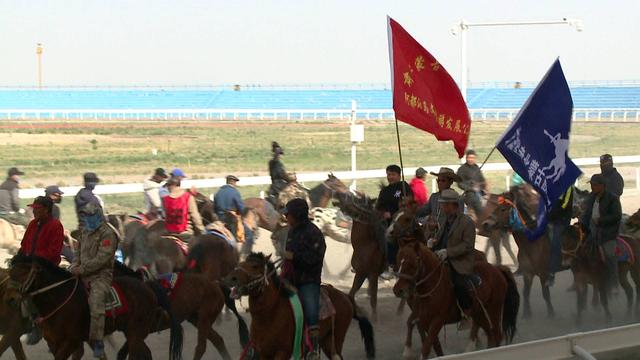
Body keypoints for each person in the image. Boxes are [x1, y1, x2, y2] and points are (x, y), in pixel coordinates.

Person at [69, 203, 119, 358]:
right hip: (80, 272)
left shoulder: (108, 233)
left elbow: (102, 259)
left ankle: (97, 341)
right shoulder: (84, 232)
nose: (87, 218)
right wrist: (73, 266)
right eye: (85, 215)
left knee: (95, 302)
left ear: (98, 215)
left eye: (90, 215)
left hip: (101, 275)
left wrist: (82, 269)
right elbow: (77, 252)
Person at [282, 198, 326, 360]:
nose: (286, 217)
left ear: (297, 215)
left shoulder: (314, 233)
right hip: (290, 278)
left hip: (308, 280)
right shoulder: (292, 231)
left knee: (310, 311)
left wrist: (294, 257)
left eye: (288, 214)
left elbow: (315, 259)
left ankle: (314, 349)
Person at [427, 189, 477, 319]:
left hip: (460, 262)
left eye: (443, 204)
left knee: (459, 284)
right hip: (442, 259)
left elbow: (467, 246)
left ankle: (467, 313)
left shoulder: (467, 222)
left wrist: (448, 252)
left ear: (451, 205)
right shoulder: (444, 221)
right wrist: (432, 241)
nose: (441, 207)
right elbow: (440, 237)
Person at [580, 174, 622, 295]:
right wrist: (581, 223)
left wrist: (601, 220)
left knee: (609, 255)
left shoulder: (612, 198)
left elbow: (617, 216)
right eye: (591, 184)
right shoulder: (591, 198)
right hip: (592, 231)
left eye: (594, 185)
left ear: (602, 186)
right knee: (578, 251)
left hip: (607, 233)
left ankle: (614, 283)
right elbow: (587, 214)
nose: (592, 187)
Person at [376, 164, 412, 276]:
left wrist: (392, 213)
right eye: (388, 174)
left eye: (393, 174)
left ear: (399, 175)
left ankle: (391, 265)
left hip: (400, 219)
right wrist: (382, 213)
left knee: (390, 236)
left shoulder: (403, 187)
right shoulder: (384, 191)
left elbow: (409, 201)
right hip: (385, 220)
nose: (390, 177)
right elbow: (378, 206)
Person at [214, 175, 254, 254]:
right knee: (249, 235)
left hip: (220, 221)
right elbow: (242, 209)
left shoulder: (218, 193)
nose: (236, 184)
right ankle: (245, 255)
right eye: (235, 182)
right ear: (233, 182)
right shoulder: (234, 192)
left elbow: (214, 209)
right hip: (231, 221)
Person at [546, 186, 573, 287]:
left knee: (555, 243)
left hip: (561, 220)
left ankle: (552, 273)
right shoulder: (551, 184)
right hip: (550, 217)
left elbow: (565, 205)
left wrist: (551, 215)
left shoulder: (568, 187)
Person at [162, 176, 205, 242]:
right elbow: (194, 215)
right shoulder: (188, 197)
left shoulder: (165, 199)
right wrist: (201, 229)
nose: (167, 188)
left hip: (170, 232)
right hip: (186, 233)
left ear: (172, 185)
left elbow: (164, 215)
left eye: (168, 186)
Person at [457, 149, 488, 216]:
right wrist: (471, 188)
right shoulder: (462, 169)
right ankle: (480, 216)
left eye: (473, 158)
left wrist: (485, 185)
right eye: (469, 158)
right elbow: (460, 183)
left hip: (480, 191)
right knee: (474, 200)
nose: (471, 159)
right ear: (466, 158)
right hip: (469, 193)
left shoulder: (476, 167)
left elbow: (481, 179)